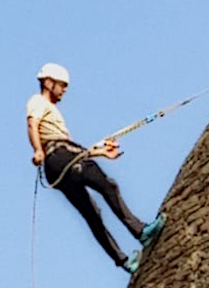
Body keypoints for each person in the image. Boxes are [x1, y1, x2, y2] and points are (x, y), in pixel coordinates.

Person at [26, 62, 165, 274]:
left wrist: (100, 152)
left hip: (59, 163)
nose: (64, 90)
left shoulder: (52, 113)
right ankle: (140, 231)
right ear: (48, 82)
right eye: (61, 85)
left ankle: (124, 261)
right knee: (107, 185)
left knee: (92, 213)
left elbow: (72, 151)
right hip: (60, 155)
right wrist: (37, 149)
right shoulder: (38, 102)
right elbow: (32, 124)